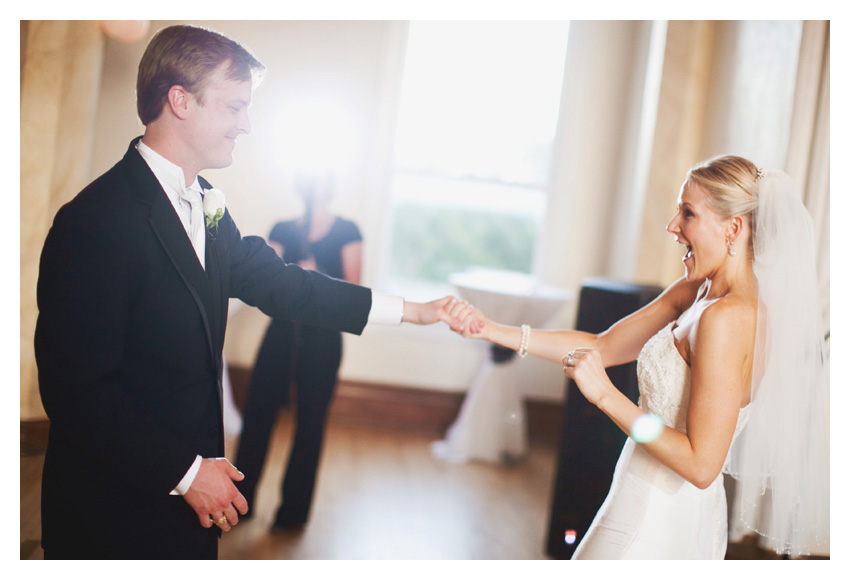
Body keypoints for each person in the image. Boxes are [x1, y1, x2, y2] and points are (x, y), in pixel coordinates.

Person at [34, 24, 462, 560]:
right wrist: (188, 473)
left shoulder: (208, 203)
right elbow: (79, 393)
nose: (247, 125)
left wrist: (412, 311)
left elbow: (283, 284)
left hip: (193, 499)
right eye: (236, 107)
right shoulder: (94, 222)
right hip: (117, 507)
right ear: (181, 101)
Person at [445, 155, 829, 559]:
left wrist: (606, 396)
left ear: (732, 228)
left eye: (688, 213)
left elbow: (701, 466)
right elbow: (602, 346)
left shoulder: (728, 318)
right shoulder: (695, 293)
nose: (673, 226)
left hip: (658, 518)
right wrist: (488, 329)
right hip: (635, 493)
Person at [234, 172, 362, 529]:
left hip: (323, 339)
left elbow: (353, 290)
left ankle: (292, 516)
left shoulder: (347, 231)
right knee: (258, 415)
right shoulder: (283, 229)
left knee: (310, 423)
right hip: (281, 334)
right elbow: (264, 284)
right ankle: (239, 505)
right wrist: (291, 277)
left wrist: (315, 277)